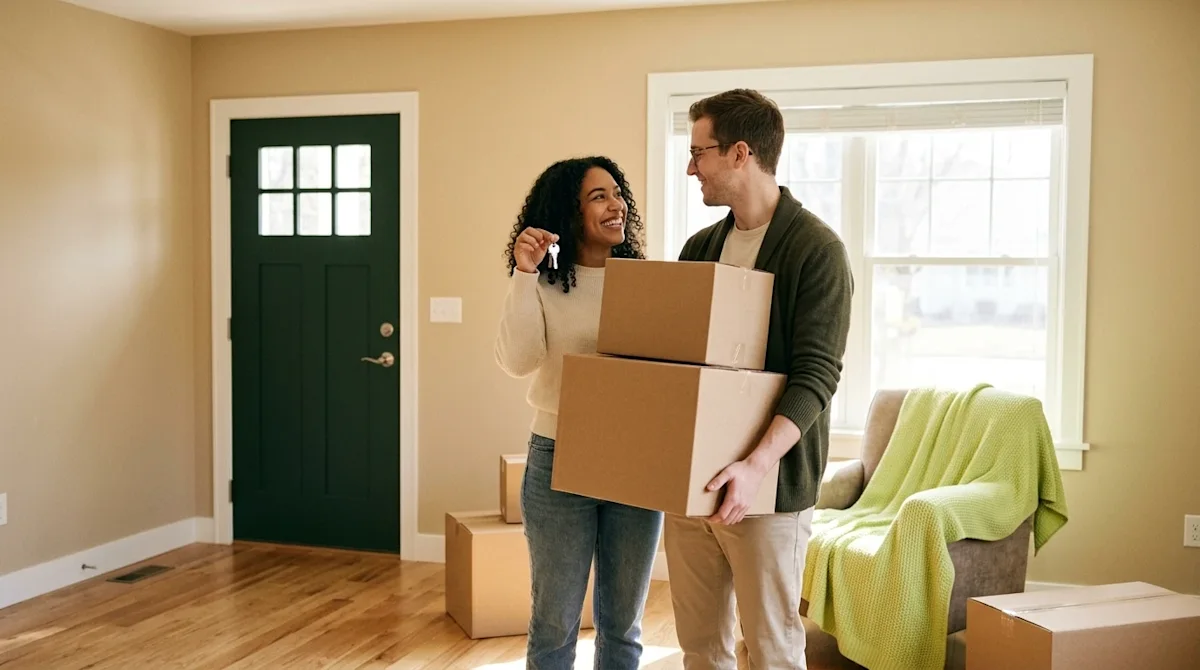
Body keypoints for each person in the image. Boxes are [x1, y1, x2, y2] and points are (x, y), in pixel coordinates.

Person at [666, 89, 854, 669]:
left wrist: (754, 467)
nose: (690, 167)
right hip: (692, 487)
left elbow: (816, 375)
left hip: (766, 493)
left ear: (740, 153)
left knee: (771, 650)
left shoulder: (816, 250)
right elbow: (678, 362)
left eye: (700, 152)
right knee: (700, 648)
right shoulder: (700, 249)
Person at [494, 156, 664, 670]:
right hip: (558, 459)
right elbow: (518, 361)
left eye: (618, 194)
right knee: (554, 625)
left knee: (623, 627)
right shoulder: (542, 285)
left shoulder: (650, 283)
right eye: (598, 197)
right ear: (569, 211)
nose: (617, 206)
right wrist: (524, 274)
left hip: (635, 463)